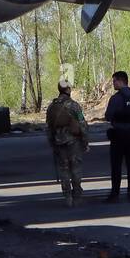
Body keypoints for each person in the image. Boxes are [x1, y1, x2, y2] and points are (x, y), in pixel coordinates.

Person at [45, 77, 88, 206]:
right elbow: (82, 124)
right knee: (75, 168)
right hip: (73, 142)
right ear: (68, 89)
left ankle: (67, 196)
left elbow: (48, 127)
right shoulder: (73, 105)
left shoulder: (52, 106)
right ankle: (77, 195)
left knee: (63, 169)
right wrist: (85, 141)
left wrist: (52, 142)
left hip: (58, 142)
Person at [103, 71, 130, 201]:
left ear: (121, 81)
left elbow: (108, 116)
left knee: (116, 166)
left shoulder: (116, 98)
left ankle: (115, 194)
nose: (113, 84)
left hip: (119, 136)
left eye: (114, 81)